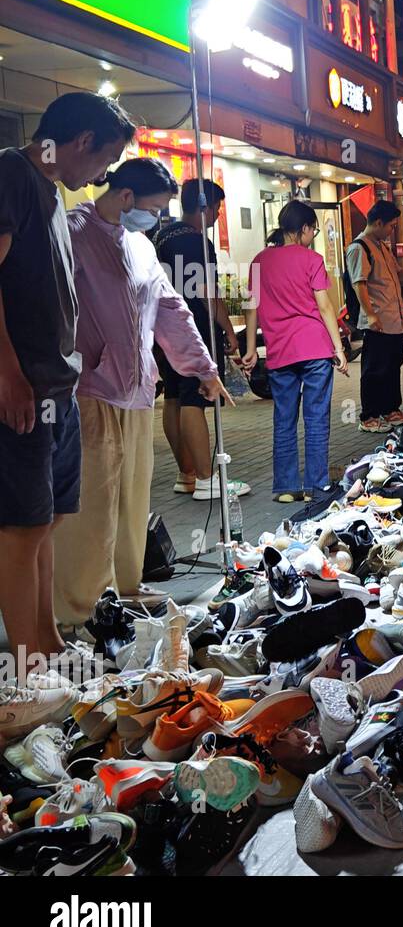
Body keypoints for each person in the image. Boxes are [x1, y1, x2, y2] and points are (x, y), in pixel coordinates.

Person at [52, 158, 230, 627]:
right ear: (127, 197)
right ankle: (81, 608)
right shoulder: (72, 231)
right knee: (92, 503)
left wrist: (203, 368)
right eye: (155, 208)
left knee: (131, 497)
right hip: (89, 389)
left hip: (135, 390)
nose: (158, 218)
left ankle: (124, 587)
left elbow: (171, 310)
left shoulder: (142, 246)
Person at [0, 91, 135, 677]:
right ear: (82, 143)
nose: (101, 176)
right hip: (22, 386)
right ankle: (26, 663)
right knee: (21, 527)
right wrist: (7, 375)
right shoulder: (11, 173)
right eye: (104, 161)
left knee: (48, 517)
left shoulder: (53, 194)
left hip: (58, 387)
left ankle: (48, 642)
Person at [242, 202, 348, 503]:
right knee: (316, 418)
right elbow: (325, 306)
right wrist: (338, 347)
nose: (314, 234)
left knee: (284, 418)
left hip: (279, 350)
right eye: (312, 228)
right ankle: (317, 485)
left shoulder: (259, 261)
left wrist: (251, 348)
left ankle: (286, 487)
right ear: (302, 228)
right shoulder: (311, 259)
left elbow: (252, 305)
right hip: (315, 349)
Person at [154, 178, 247, 501]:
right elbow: (208, 293)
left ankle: (187, 474)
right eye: (218, 207)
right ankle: (208, 480)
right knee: (195, 399)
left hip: (162, 330)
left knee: (174, 398)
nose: (219, 214)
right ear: (204, 206)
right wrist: (230, 330)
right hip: (192, 329)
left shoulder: (161, 235)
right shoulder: (197, 242)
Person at [344, 200, 403, 433]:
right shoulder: (359, 248)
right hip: (377, 322)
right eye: (391, 226)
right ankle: (369, 416)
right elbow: (359, 284)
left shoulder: (382, 246)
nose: (392, 230)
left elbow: (399, 274)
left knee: (393, 366)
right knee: (374, 369)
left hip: (394, 320)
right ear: (378, 222)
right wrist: (371, 315)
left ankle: (391, 410)